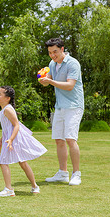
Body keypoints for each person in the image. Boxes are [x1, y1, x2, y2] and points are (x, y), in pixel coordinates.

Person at [39, 38, 84, 186]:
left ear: (62, 49)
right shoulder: (52, 64)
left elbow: (70, 85)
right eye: (50, 53)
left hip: (73, 106)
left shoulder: (73, 63)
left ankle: (76, 174)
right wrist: (44, 79)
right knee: (59, 140)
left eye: (55, 52)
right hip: (60, 106)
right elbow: (49, 80)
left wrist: (50, 82)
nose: (52, 55)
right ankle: (63, 173)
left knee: (71, 139)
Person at [0, 86, 46, 197]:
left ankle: (9, 189)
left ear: (7, 98)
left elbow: (16, 125)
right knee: (22, 163)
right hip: (11, 140)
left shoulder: (7, 109)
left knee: (3, 162)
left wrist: (11, 140)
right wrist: (1, 141)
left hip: (14, 140)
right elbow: (7, 129)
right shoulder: (4, 110)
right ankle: (34, 186)